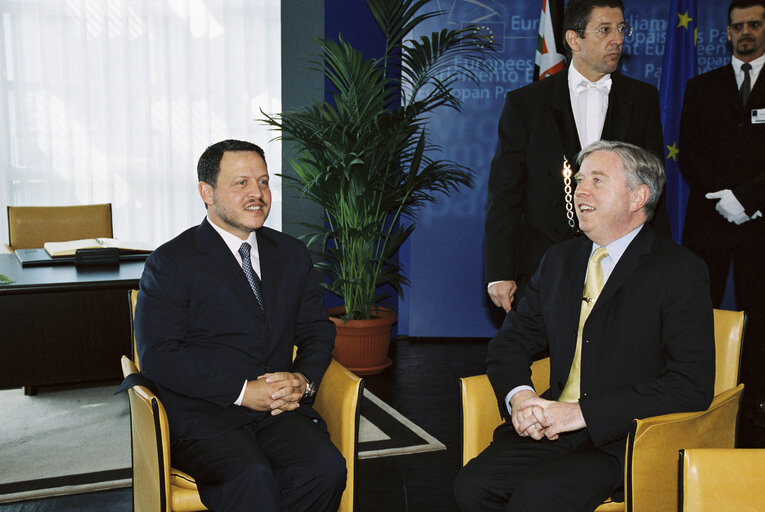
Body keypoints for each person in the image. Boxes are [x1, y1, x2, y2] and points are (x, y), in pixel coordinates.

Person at [455, 140, 715, 511]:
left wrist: (582, 414)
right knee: (473, 486)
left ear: (638, 197)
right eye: (578, 180)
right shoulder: (560, 260)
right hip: (552, 428)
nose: (580, 190)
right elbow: (510, 342)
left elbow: (690, 384)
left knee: (541, 496)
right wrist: (522, 397)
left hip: (624, 438)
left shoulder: (678, 270)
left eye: (597, 180)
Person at [134, 139, 346, 512]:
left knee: (324, 469)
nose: (258, 194)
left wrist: (303, 381)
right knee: (251, 477)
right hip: (202, 412)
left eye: (264, 182)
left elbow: (316, 330)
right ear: (207, 192)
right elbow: (159, 356)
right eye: (241, 183)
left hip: (276, 410)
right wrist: (242, 391)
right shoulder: (171, 262)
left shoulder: (291, 253)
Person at [484, 0, 669, 313]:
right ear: (573, 39)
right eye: (605, 30)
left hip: (623, 261)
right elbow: (506, 192)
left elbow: (652, 188)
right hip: (544, 263)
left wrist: (661, 260)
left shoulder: (642, 99)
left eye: (622, 29)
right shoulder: (527, 104)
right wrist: (500, 272)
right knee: (544, 360)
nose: (618, 39)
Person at [679, 0, 765, 443]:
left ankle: (757, 403)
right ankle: (699, 398)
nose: (745, 32)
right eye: (737, 27)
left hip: (760, 219)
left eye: (754, 24)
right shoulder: (701, 86)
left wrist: (747, 198)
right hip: (709, 218)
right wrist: (723, 198)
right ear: (727, 33)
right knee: (699, 312)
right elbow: (689, 151)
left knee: (760, 315)